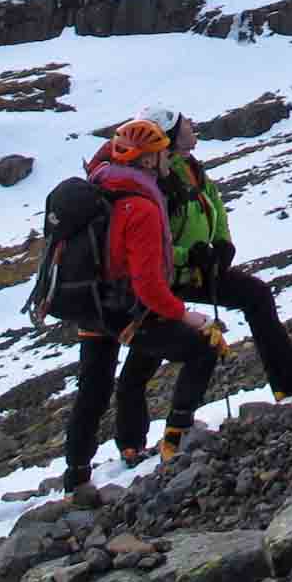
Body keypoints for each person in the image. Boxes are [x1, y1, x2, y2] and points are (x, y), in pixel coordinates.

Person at [60, 116, 224, 496]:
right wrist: (187, 315)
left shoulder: (103, 181)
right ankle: (176, 440)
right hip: (123, 308)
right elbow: (149, 286)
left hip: (91, 304)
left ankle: (76, 478)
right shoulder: (141, 206)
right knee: (203, 347)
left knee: (93, 389)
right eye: (163, 152)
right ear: (148, 160)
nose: (169, 158)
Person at [151, 107, 292, 399]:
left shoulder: (190, 167)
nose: (191, 124)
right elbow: (152, 245)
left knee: (256, 295)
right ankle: (288, 383)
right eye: (184, 122)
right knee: (144, 364)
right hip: (171, 275)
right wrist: (189, 255)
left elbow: (215, 205)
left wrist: (223, 243)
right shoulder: (160, 179)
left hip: (197, 269)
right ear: (171, 135)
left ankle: (289, 383)